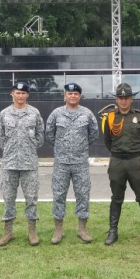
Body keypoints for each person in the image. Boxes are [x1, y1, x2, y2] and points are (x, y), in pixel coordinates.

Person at [45, 82, 99, 244]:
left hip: (80, 162)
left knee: (83, 195)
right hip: (61, 162)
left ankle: (82, 229)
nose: (73, 96)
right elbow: (50, 134)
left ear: (80, 96)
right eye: (70, 93)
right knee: (59, 195)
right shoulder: (56, 114)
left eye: (76, 93)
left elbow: (93, 135)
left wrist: (79, 148)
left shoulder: (87, 114)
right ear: (65, 96)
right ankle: (58, 230)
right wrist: (62, 148)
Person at [102, 82, 140, 247]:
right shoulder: (110, 117)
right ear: (116, 99)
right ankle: (112, 232)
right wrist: (118, 153)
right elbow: (107, 141)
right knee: (116, 198)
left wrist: (134, 154)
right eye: (120, 97)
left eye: (126, 97)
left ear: (132, 99)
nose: (123, 101)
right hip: (117, 161)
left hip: (135, 161)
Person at [0, 82, 45, 247]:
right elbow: (0, 138)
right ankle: (8, 232)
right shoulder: (4, 114)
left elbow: (40, 136)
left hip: (29, 163)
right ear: (12, 94)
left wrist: (28, 147)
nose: (21, 96)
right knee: (8, 198)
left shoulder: (34, 113)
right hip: (9, 163)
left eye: (24, 93)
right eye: (18, 93)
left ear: (27, 95)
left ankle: (32, 232)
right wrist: (11, 150)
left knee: (31, 198)